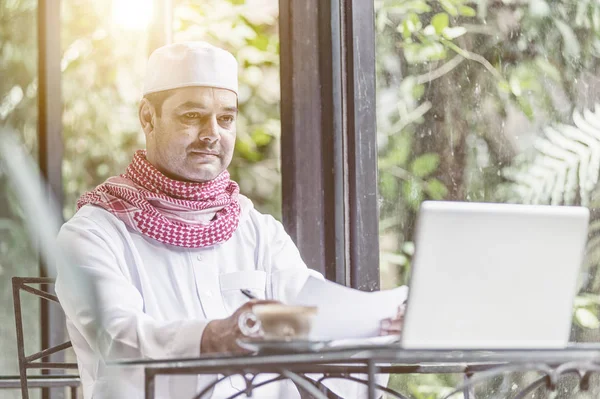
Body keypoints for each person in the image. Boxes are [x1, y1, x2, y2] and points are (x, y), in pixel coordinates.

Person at [55, 41, 402, 399]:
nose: (211, 134)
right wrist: (211, 336)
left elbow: (312, 314)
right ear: (148, 117)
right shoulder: (93, 234)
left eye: (225, 119)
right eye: (192, 116)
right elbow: (117, 335)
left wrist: (379, 323)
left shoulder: (258, 230)